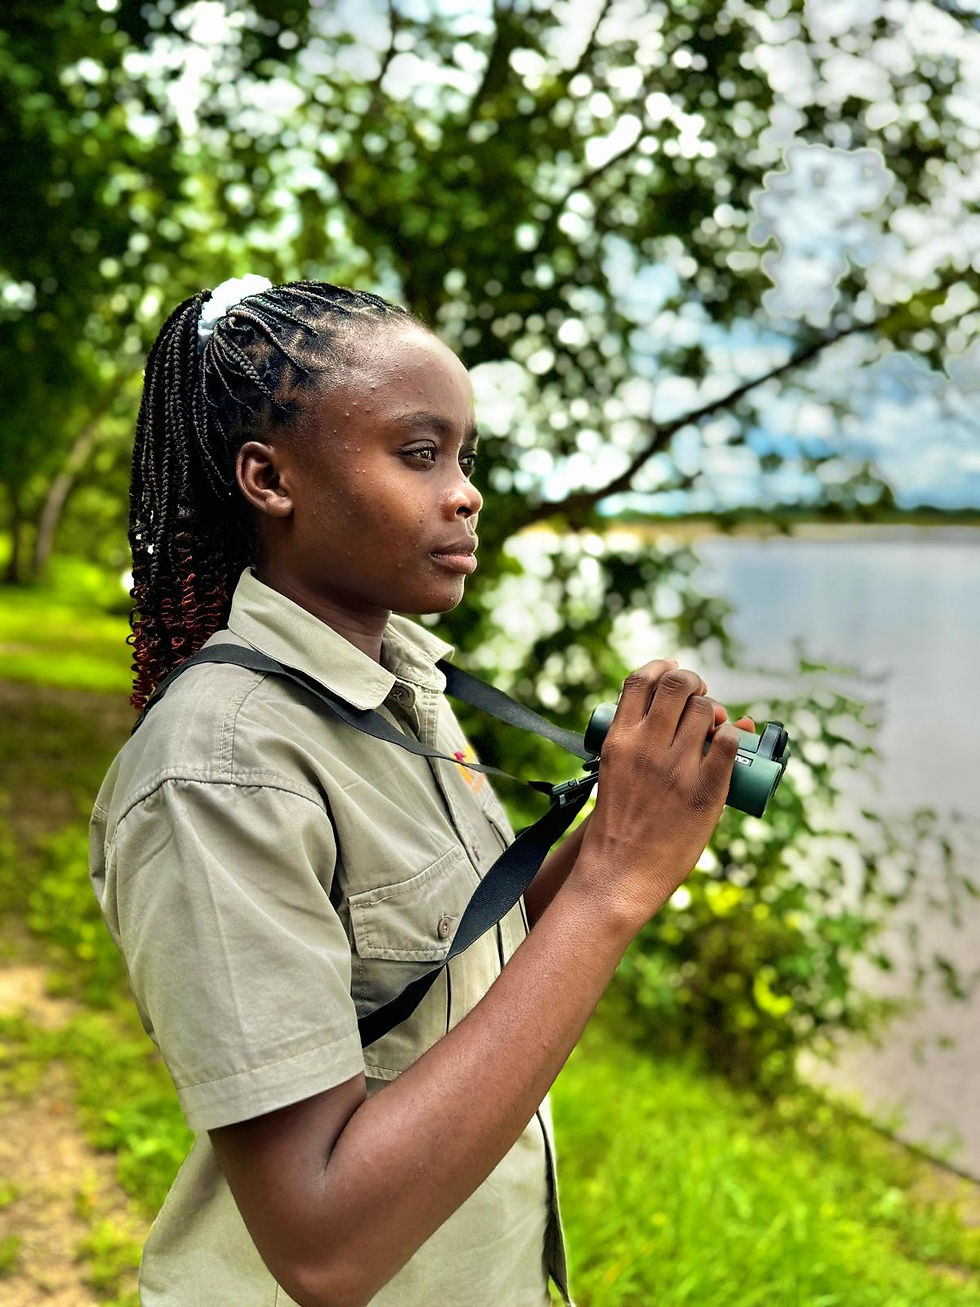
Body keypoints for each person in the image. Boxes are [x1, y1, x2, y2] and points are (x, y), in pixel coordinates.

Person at [89, 276, 755, 1307]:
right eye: (417, 453)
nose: (465, 492)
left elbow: (475, 966)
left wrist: (633, 824)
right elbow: (322, 1242)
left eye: (463, 457)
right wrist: (611, 886)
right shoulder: (220, 768)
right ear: (270, 479)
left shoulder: (404, 687)